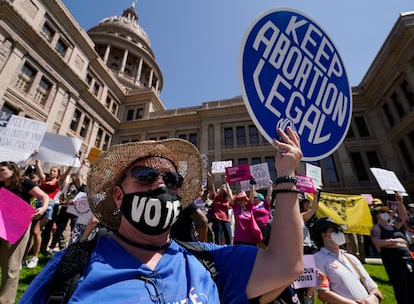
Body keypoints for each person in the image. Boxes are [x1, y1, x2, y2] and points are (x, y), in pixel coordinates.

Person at [20, 127, 304, 303]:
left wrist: (286, 175)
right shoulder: (69, 268)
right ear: (119, 196)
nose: (159, 185)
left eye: (171, 181)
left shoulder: (211, 263)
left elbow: (286, 264)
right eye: (145, 176)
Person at [0, 161, 49, 304]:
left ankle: (5, 300)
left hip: (17, 227)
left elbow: (44, 197)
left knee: (11, 265)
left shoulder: (25, 183)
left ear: (12, 170)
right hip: (1, 223)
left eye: (2, 170)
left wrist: (43, 208)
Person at [312, 217, 383, 304]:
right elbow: (323, 293)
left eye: (340, 231)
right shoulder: (318, 258)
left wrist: (374, 298)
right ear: (324, 235)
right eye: (335, 231)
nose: (340, 234)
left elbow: (373, 287)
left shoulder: (351, 258)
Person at [371, 192, 413, 304]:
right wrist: (395, 241)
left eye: (387, 212)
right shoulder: (377, 228)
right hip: (394, 260)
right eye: (383, 212)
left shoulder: (394, 225)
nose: (387, 214)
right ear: (377, 215)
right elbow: (376, 241)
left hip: (407, 258)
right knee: (401, 286)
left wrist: (400, 202)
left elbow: (403, 216)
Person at [35, 159, 72, 260]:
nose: (51, 172)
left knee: (41, 230)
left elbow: (67, 172)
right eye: (51, 170)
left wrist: (72, 162)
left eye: (54, 171)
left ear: (57, 174)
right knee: (34, 230)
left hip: (49, 207)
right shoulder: (44, 179)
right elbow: (39, 170)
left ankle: (39, 251)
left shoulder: (58, 182)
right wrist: (38, 159)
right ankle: (33, 251)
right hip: (37, 205)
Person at [208, 172, 234, 245]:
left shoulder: (228, 199)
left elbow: (230, 195)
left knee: (228, 236)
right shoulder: (216, 197)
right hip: (217, 219)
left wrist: (226, 183)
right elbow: (212, 189)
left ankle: (229, 250)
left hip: (226, 220)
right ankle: (218, 250)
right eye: (222, 187)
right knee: (218, 237)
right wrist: (211, 180)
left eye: (224, 188)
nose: (223, 189)